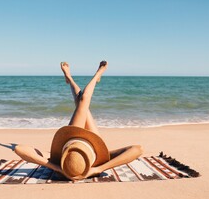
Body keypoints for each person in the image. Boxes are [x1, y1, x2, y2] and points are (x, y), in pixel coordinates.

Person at [15, 61, 143, 181]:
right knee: (83, 99)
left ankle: (69, 78)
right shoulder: (99, 160)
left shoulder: (59, 162)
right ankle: (97, 75)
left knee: (82, 100)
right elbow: (137, 149)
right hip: (93, 149)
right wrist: (98, 169)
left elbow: (19, 148)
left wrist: (58, 168)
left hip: (72, 139)